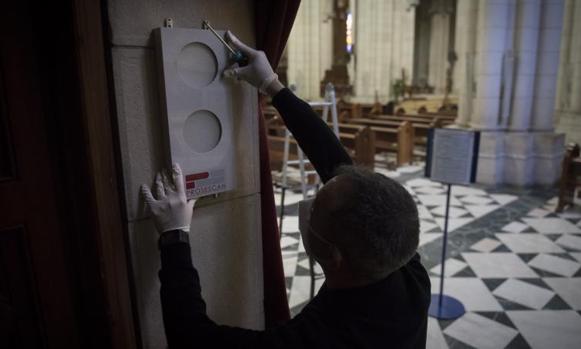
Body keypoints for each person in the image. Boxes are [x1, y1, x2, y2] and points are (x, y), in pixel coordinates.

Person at [141, 32, 430, 349]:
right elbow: (333, 159)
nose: (308, 207)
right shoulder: (407, 272)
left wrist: (175, 234)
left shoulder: (318, 339)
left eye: (316, 207)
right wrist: (272, 86)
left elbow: (192, 338)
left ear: (333, 256)